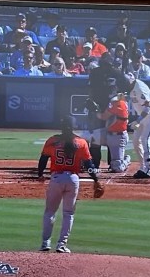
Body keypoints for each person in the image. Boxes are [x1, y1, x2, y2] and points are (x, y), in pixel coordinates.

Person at [37, 117, 100, 254]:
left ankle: (45, 243)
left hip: (56, 178)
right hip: (72, 179)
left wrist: (40, 174)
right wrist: (96, 180)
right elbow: (89, 165)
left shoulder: (52, 140)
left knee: (50, 212)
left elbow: (43, 159)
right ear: (74, 126)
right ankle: (61, 245)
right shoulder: (81, 142)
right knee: (68, 213)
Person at [124, 69, 150, 179]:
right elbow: (125, 96)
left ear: (131, 81)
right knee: (136, 141)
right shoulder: (130, 87)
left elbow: (148, 107)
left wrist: (138, 121)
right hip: (143, 116)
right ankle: (143, 167)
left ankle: (149, 170)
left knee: (145, 139)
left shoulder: (139, 88)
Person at [98, 89, 130, 172]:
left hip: (118, 136)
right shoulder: (120, 102)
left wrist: (95, 111)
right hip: (110, 134)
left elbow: (103, 117)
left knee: (117, 168)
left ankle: (126, 159)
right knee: (91, 138)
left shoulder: (118, 103)